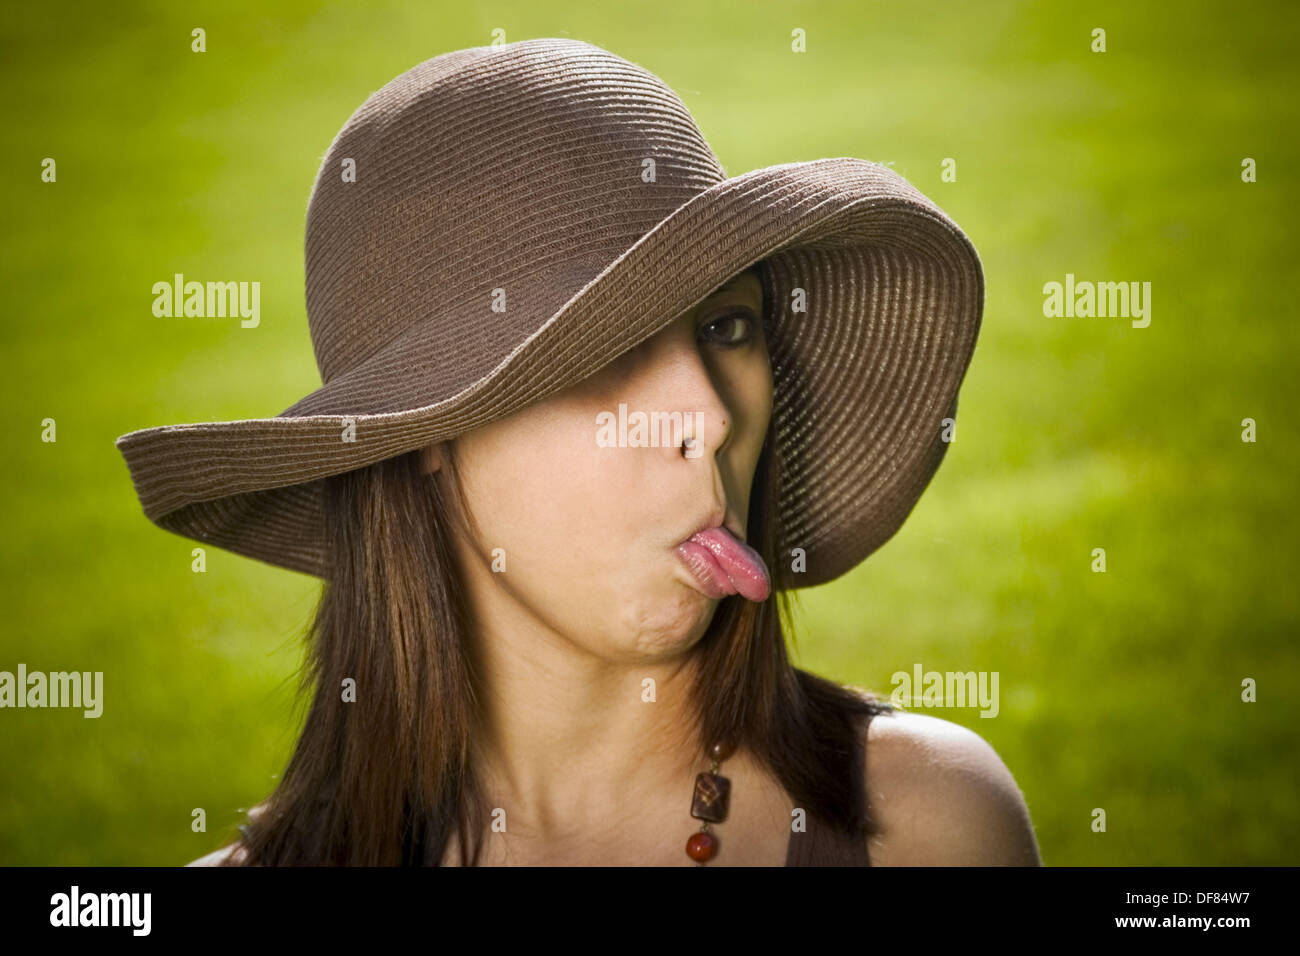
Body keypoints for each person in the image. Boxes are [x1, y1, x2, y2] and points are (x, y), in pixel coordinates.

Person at [118, 38, 1039, 866]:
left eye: (728, 325)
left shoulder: (925, 824)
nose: (709, 417)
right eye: (601, 349)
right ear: (427, 434)